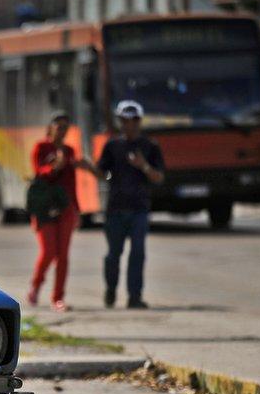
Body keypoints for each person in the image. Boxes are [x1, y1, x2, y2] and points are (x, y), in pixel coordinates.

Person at [92, 100, 165, 309]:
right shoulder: (113, 146)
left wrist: (143, 166)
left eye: (133, 121)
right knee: (114, 254)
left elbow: (158, 177)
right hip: (115, 209)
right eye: (125, 121)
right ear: (120, 122)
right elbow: (101, 172)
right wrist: (90, 167)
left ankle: (135, 296)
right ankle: (111, 289)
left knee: (138, 253)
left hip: (139, 208)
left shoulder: (150, 146)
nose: (129, 125)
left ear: (140, 122)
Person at [27, 111, 97, 312]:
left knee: (63, 255)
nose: (62, 131)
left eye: (66, 128)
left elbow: (71, 183)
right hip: (44, 208)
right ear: (51, 128)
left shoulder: (68, 150)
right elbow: (39, 173)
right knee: (49, 251)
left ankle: (58, 297)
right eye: (59, 126)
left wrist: (76, 210)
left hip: (65, 208)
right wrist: (54, 167)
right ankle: (36, 284)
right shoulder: (41, 148)